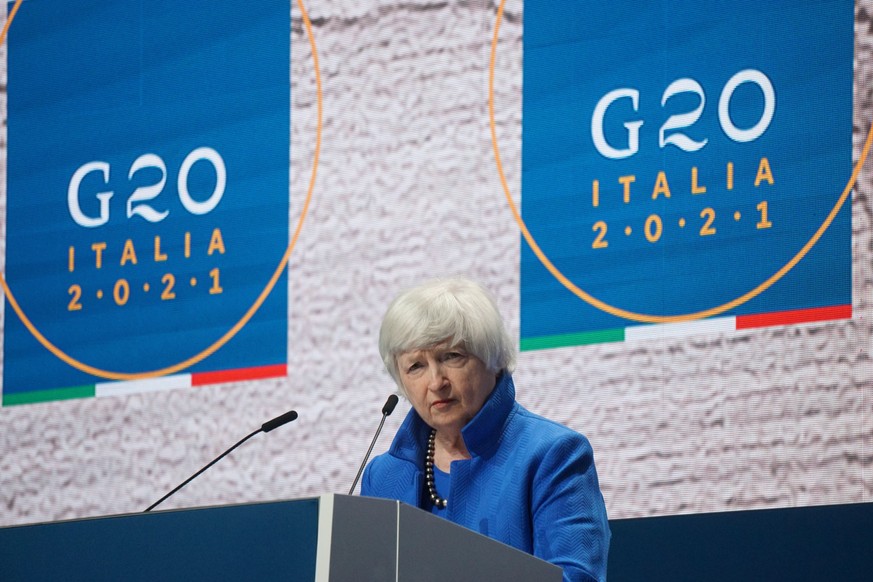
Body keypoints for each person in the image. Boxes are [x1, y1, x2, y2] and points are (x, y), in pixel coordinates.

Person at [361, 277, 610, 582]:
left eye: (451, 356)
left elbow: (575, 578)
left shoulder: (553, 455)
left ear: (493, 359)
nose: (436, 382)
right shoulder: (383, 475)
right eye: (416, 367)